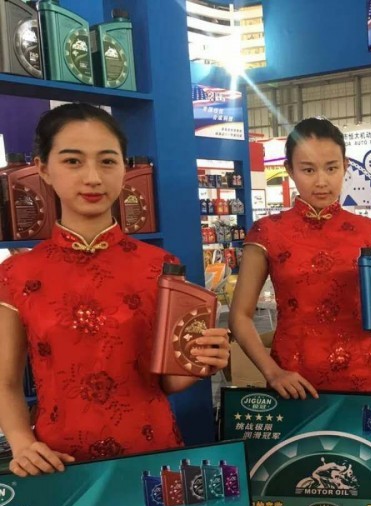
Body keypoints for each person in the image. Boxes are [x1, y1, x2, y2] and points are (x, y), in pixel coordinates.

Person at [229, 117, 371, 506]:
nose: (321, 180)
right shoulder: (268, 232)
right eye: (308, 169)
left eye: (331, 167)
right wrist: (271, 371)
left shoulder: (369, 230)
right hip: (297, 384)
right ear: (290, 170)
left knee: (363, 498)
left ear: (345, 166)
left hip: (360, 380)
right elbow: (240, 316)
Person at [0, 103, 230, 477]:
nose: (93, 177)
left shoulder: (161, 266)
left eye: (107, 161)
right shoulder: (16, 274)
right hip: (59, 464)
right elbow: (6, 382)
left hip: (151, 455)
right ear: (43, 168)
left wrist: (200, 362)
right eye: (73, 161)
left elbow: (165, 381)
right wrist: (22, 444)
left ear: (125, 168)